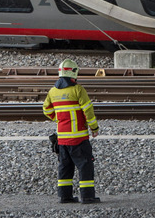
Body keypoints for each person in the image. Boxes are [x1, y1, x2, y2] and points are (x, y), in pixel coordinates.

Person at [43, 59, 101, 204]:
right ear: (73, 73)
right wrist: (94, 128)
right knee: (85, 165)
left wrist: (59, 119)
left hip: (62, 139)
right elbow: (88, 110)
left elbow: (46, 109)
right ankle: (87, 196)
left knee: (65, 166)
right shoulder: (77, 89)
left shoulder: (53, 91)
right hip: (79, 138)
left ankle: (65, 196)